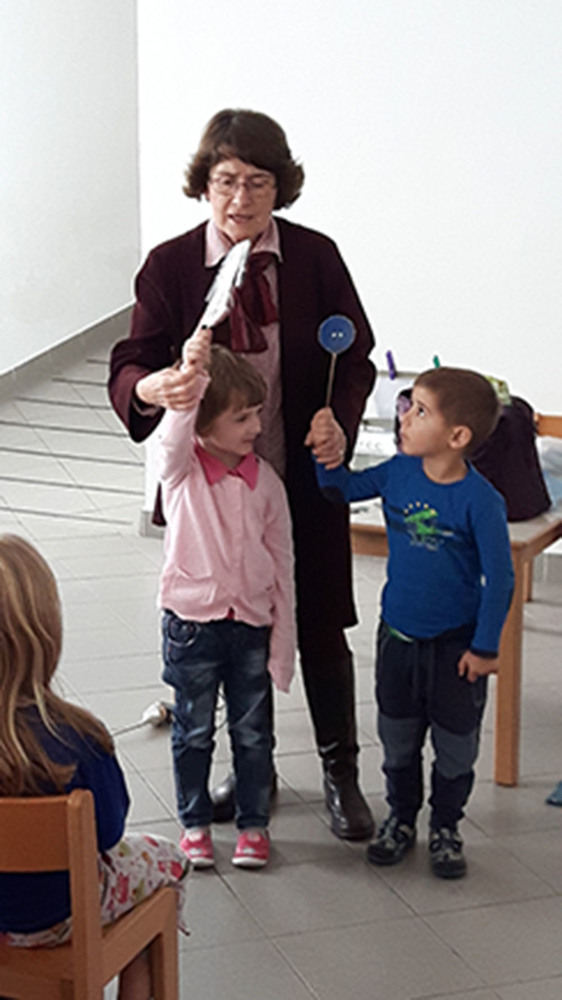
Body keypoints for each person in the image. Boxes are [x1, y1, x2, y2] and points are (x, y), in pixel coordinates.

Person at [108, 108, 376, 841]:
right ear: (204, 185)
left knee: (320, 621)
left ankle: (340, 773)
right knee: (228, 636)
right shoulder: (170, 265)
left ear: (280, 187)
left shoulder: (315, 257)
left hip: (302, 477)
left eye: (258, 182)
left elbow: (353, 357)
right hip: (213, 492)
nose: (241, 198)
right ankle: (252, 772)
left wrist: (338, 420)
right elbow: (130, 362)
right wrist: (153, 386)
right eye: (226, 180)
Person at [310, 367, 514, 878]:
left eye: (420, 411)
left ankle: (445, 826)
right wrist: (325, 452)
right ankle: (400, 818)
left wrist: (485, 648)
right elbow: (341, 489)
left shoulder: (481, 501)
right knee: (398, 740)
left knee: (455, 748)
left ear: (457, 436)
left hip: (456, 650)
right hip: (398, 640)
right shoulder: (398, 472)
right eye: (408, 405)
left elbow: (501, 580)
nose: (404, 417)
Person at [0, 535, 189, 1000]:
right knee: (169, 862)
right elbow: (108, 832)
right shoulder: (77, 739)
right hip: (59, 919)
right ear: (46, 632)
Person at [158, 327, 296, 869]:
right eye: (241, 418)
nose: (256, 427)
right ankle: (194, 824)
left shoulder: (268, 484)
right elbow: (172, 436)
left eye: (257, 414)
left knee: (254, 735)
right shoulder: (182, 472)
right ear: (203, 421)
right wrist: (189, 380)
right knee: (193, 732)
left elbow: (283, 568)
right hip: (191, 625)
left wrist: (282, 647)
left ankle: (253, 825)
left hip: (250, 628)